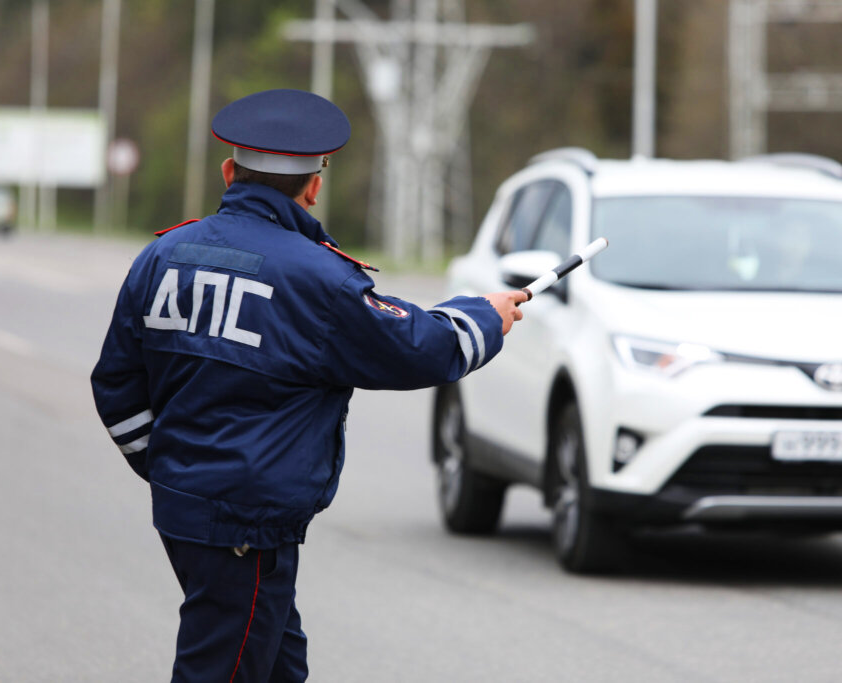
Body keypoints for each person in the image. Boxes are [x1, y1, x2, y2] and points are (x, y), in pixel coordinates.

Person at [90, 88, 527, 682]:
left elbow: (116, 383)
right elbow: (417, 349)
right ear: (314, 184)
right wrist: (484, 315)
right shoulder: (316, 278)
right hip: (244, 523)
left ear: (229, 172)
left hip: (191, 513)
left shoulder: (163, 255)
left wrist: (172, 470)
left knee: (276, 666)